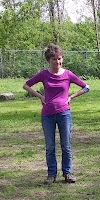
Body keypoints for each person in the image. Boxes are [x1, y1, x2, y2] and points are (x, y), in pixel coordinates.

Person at [23, 43, 90, 184]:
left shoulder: (68, 74)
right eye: (54, 59)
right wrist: (40, 96)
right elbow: (26, 85)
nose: (57, 62)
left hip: (64, 114)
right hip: (47, 114)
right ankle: (51, 174)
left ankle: (67, 173)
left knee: (66, 145)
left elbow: (86, 87)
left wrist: (71, 97)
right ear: (49, 60)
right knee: (50, 146)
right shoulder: (44, 74)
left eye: (59, 58)